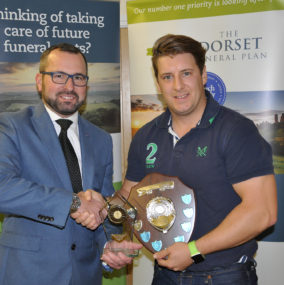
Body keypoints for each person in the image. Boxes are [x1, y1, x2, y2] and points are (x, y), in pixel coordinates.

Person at [119, 34, 278, 285]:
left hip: (223, 275)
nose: (178, 86)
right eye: (167, 77)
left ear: (203, 75)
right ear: (158, 83)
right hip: (165, 275)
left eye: (186, 73)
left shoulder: (236, 130)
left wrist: (194, 250)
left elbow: (263, 212)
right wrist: (100, 207)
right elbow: (128, 198)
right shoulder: (146, 136)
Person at [0, 43, 141, 285]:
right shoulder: (13, 126)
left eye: (78, 78)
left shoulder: (101, 139)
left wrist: (109, 246)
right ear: (40, 81)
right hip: (24, 274)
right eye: (59, 76)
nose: (69, 86)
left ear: (86, 85)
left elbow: (103, 205)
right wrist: (73, 202)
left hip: (84, 276)